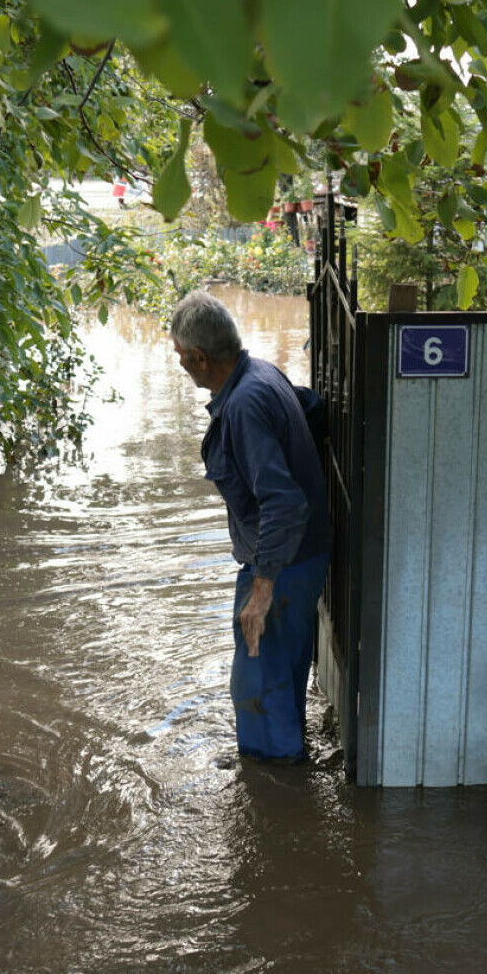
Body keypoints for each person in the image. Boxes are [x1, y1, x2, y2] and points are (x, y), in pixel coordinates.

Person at [168, 291, 332, 764]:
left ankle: (274, 793)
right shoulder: (262, 372)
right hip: (300, 555)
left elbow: (281, 500)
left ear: (200, 357)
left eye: (180, 356)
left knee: (258, 688)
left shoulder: (243, 405)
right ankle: (289, 768)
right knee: (280, 679)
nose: (180, 364)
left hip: (282, 565)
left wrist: (261, 591)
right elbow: (312, 409)